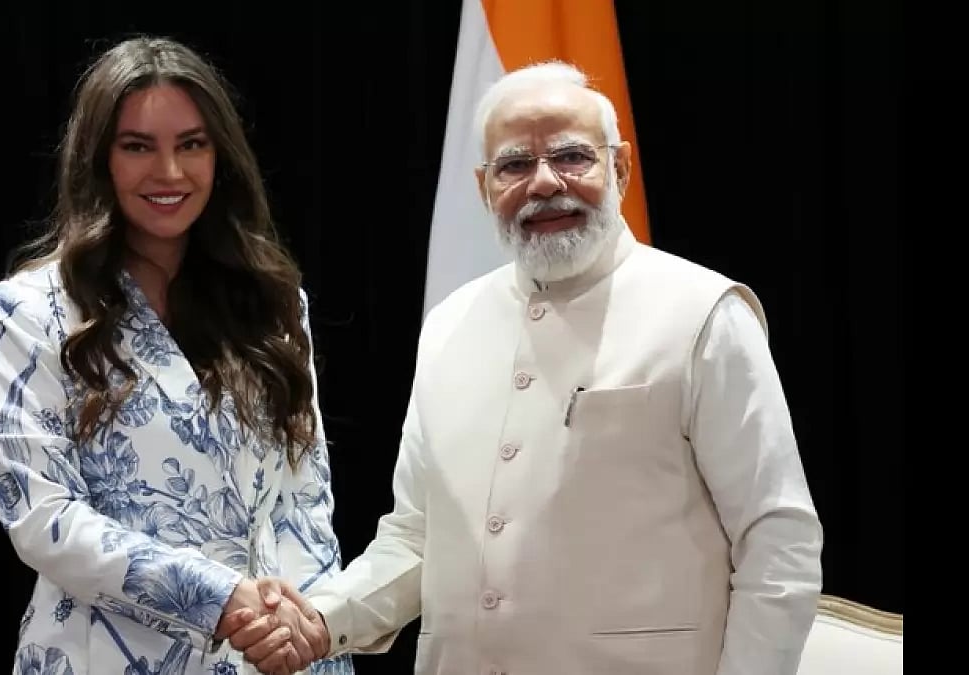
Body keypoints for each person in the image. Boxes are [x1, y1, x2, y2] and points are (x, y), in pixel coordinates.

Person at [226, 60, 825, 674]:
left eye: (571, 157)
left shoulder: (704, 313)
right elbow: (417, 537)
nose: (544, 184)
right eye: (515, 165)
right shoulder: (450, 324)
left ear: (619, 168)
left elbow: (777, 542)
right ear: (485, 188)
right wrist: (325, 618)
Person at [0, 36, 352, 675]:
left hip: (274, 657)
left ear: (220, 156)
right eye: (138, 146)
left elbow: (305, 499)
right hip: (103, 655)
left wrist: (310, 627)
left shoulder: (275, 302)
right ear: (99, 159)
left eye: (192, 144)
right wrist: (220, 596)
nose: (169, 173)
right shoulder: (24, 310)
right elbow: (42, 518)